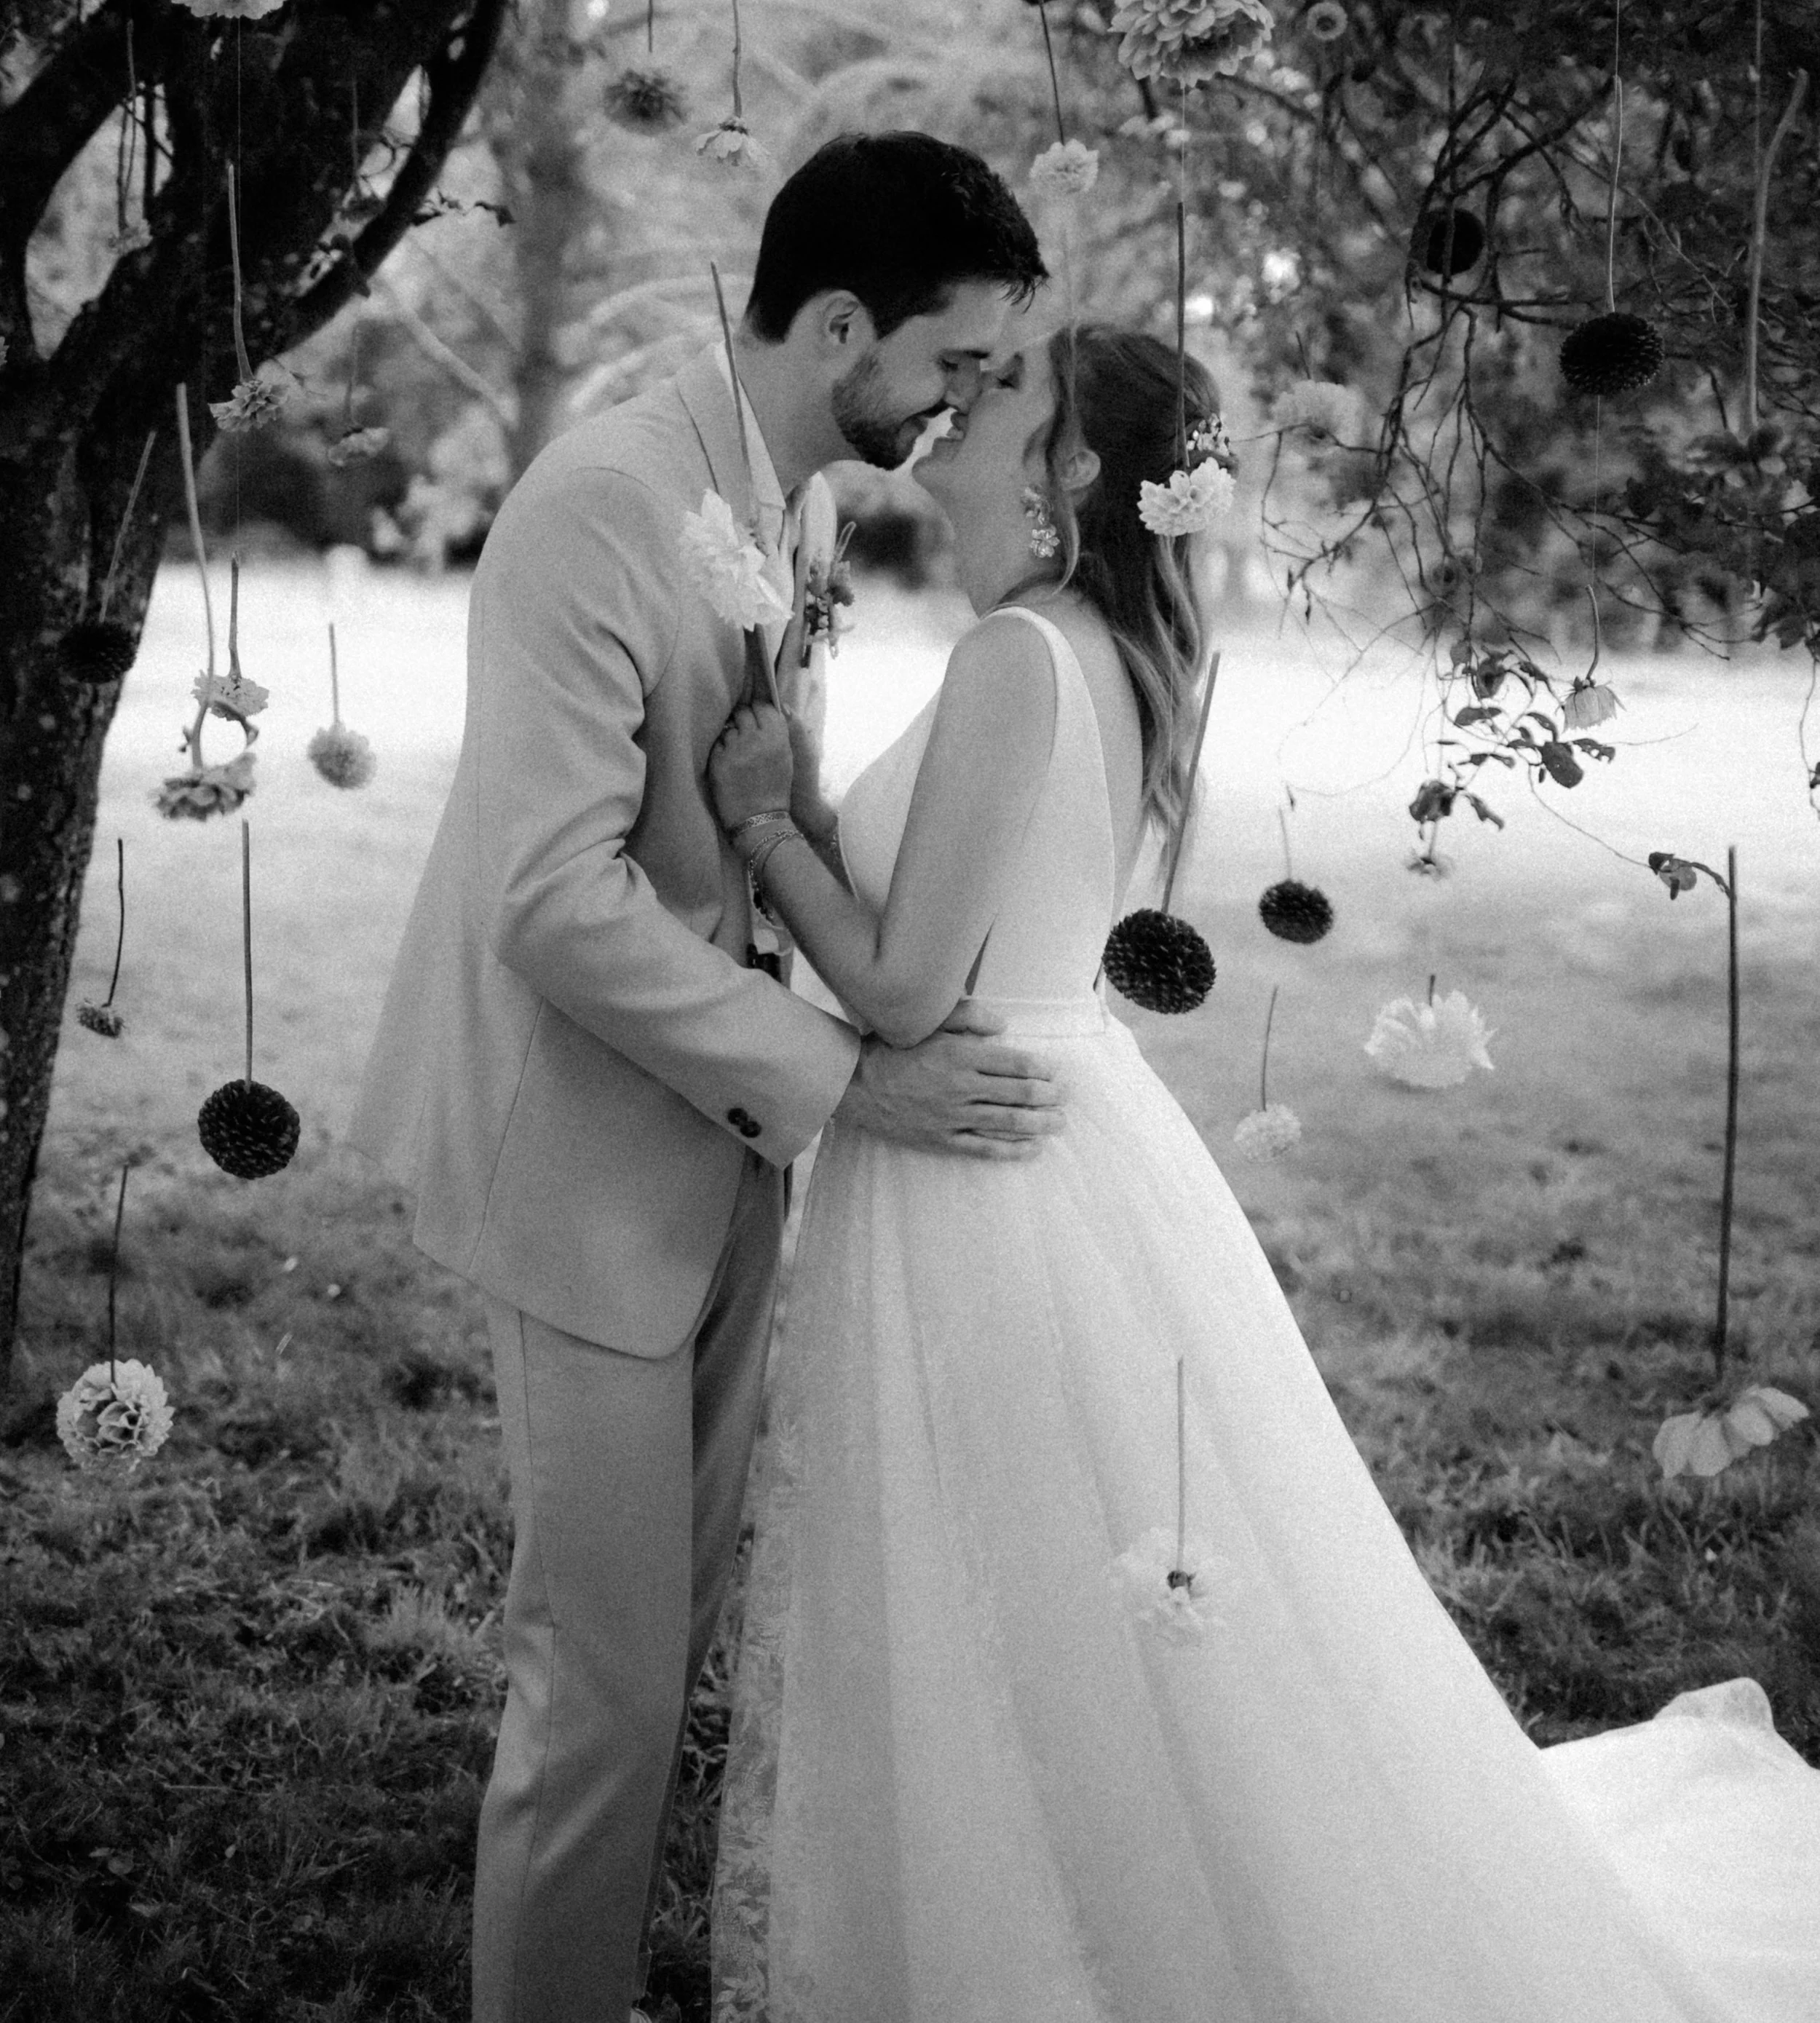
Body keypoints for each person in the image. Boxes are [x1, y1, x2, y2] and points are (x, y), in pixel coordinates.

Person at [704, 320, 1820, 2023]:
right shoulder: (1115, 648)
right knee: (1066, 1578)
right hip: (1053, 1121)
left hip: (988, 1159)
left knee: (995, 1571)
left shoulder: (1020, 651)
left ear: (1074, 467)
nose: (967, 402)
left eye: (1006, 392)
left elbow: (912, 986)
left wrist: (767, 826)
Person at [340, 131, 1064, 2023]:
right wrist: (845, 1074)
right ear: (839, 324)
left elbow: (739, 818)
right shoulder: (599, 501)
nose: (964, 401)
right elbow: (551, 897)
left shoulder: (791, 505)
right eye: (954, 361)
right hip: (580, 1155)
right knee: (602, 1690)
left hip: (722, 1145)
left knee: (661, 1656)